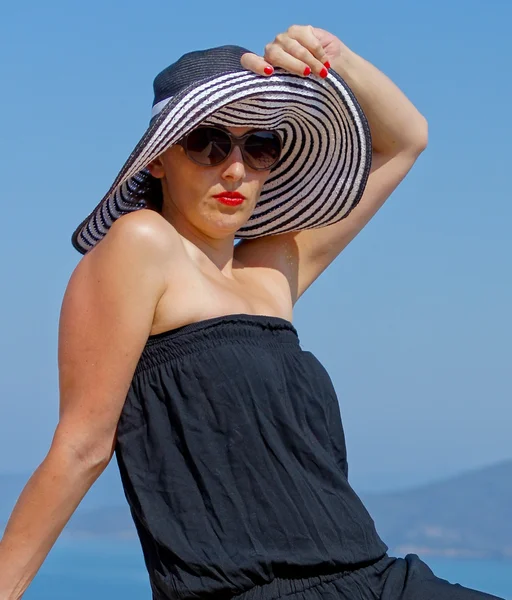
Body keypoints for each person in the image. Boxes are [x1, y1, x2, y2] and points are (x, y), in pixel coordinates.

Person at [0, 25, 502, 600]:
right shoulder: (142, 243)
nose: (235, 170)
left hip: (376, 577)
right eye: (209, 143)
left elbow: (407, 137)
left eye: (258, 146)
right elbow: (83, 445)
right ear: (159, 160)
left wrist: (322, 53)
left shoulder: (271, 270)